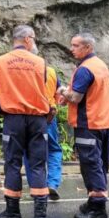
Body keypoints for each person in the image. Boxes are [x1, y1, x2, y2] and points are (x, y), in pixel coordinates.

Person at [0, 25, 53, 218]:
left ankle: (13, 213)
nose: (34, 41)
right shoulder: (41, 62)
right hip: (37, 119)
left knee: (12, 163)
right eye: (33, 38)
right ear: (27, 39)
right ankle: (40, 217)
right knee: (38, 165)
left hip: (13, 119)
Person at [59, 32, 109, 218]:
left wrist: (62, 91)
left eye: (76, 45)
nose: (71, 49)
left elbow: (76, 97)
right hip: (103, 122)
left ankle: (98, 209)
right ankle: (93, 202)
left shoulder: (85, 69)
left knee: (91, 165)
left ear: (88, 47)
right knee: (99, 163)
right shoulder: (99, 65)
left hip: (88, 123)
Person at [24, 64, 65, 201]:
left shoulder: (26, 70)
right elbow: (58, 94)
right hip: (49, 115)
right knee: (53, 150)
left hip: (30, 115)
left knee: (30, 151)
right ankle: (52, 183)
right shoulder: (52, 71)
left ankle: (35, 187)